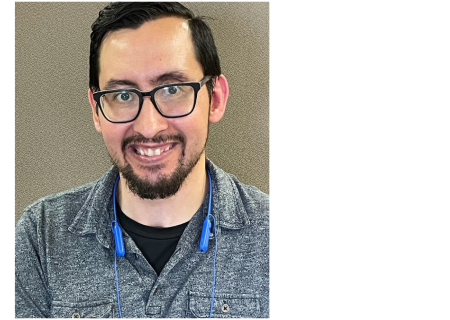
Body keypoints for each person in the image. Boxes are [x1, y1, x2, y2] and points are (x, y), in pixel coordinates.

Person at [15, 2, 269, 318]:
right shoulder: (43, 236)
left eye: (173, 89)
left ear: (215, 99)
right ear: (96, 110)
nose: (149, 126)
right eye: (122, 96)